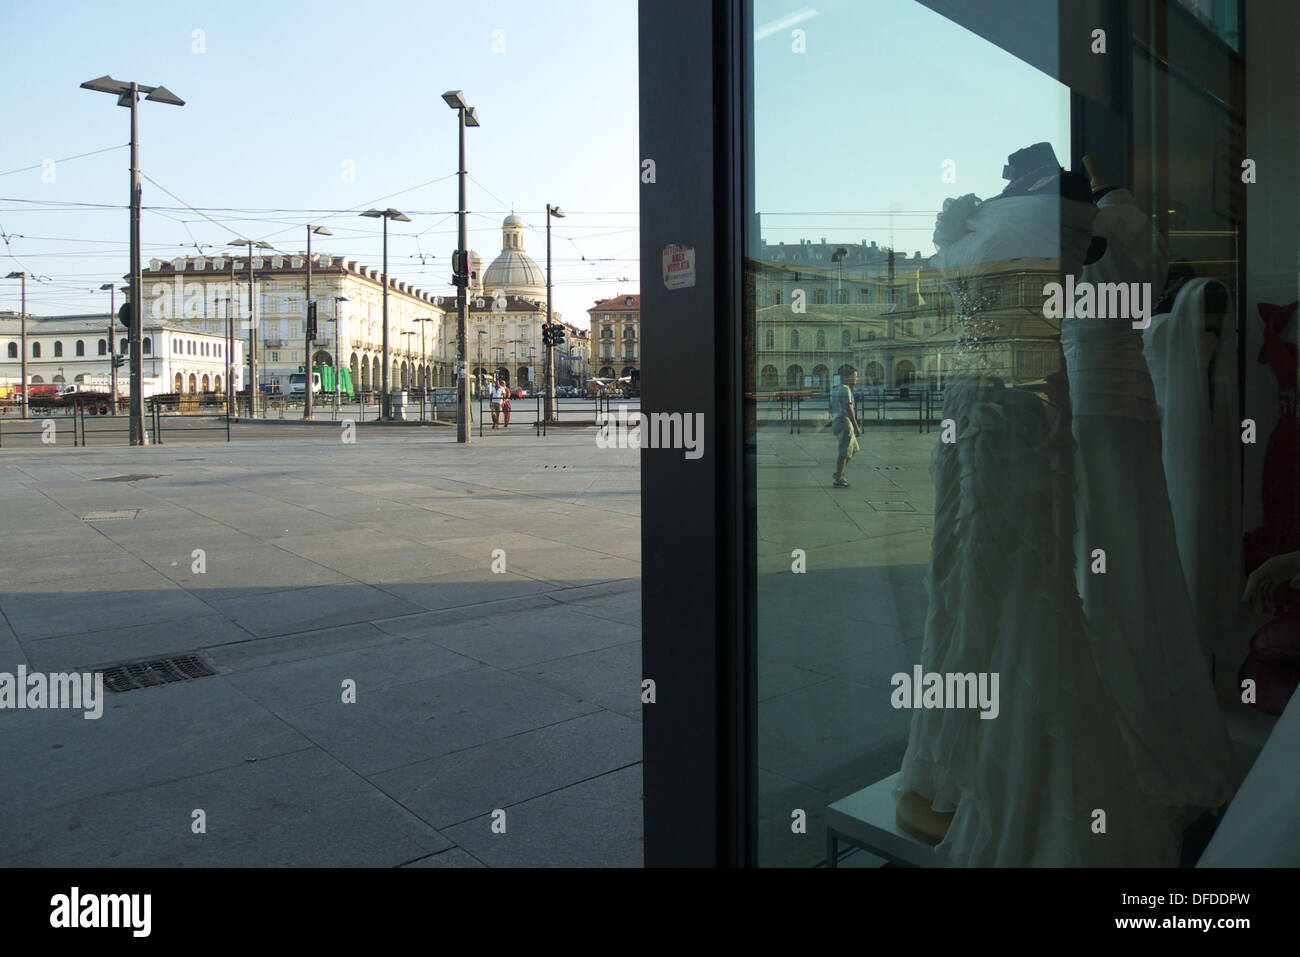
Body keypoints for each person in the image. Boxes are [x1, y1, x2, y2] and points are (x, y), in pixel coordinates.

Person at [830, 368, 862, 488]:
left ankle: (839, 472)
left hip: (838, 421)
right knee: (844, 450)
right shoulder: (845, 390)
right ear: (847, 376)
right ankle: (839, 479)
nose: (856, 379)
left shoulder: (836, 389)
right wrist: (856, 427)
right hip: (844, 422)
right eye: (855, 376)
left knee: (853, 449)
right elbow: (849, 409)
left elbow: (830, 407)